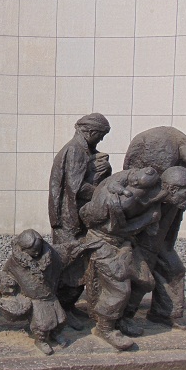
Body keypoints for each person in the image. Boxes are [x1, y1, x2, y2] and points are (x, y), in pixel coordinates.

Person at [123, 127, 186, 330]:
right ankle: (124, 316)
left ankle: (164, 312)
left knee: (171, 268)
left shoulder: (178, 188)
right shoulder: (160, 187)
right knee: (144, 271)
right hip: (146, 234)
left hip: (159, 234)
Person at [79, 167, 166, 350]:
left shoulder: (149, 193)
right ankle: (105, 328)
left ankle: (123, 318)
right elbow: (112, 228)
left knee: (146, 281)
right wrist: (148, 219)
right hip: (102, 243)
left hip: (123, 243)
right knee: (120, 289)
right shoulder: (115, 201)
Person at [48, 113, 112, 330]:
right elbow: (76, 188)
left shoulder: (83, 150)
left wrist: (101, 169)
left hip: (73, 217)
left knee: (77, 263)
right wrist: (103, 193)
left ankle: (68, 305)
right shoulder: (75, 150)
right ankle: (62, 310)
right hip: (69, 220)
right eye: (101, 135)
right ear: (91, 132)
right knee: (72, 265)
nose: (101, 140)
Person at [0, 230, 68, 355]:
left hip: (50, 295)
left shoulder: (50, 256)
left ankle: (55, 334)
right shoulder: (14, 263)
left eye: (39, 249)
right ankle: (41, 341)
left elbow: (58, 267)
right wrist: (8, 284)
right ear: (23, 249)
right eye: (33, 251)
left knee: (61, 319)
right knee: (41, 325)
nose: (37, 253)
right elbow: (6, 274)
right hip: (35, 299)